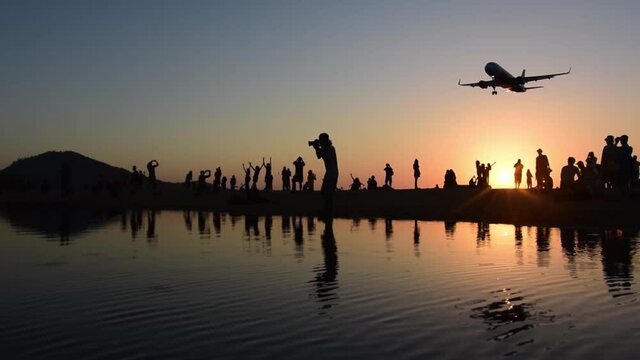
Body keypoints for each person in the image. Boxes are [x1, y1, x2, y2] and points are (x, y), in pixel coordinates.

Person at [310, 133, 338, 212]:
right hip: (329, 173)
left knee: (328, 194)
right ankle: (327, 210)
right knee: (324, 192)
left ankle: (329, 211)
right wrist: (317, 148)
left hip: (332, 174)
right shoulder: (326, 148)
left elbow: (326, 157)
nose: (320, 141)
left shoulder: (330, 148)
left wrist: (318, 148)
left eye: (321, 140)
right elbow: (319, 156)